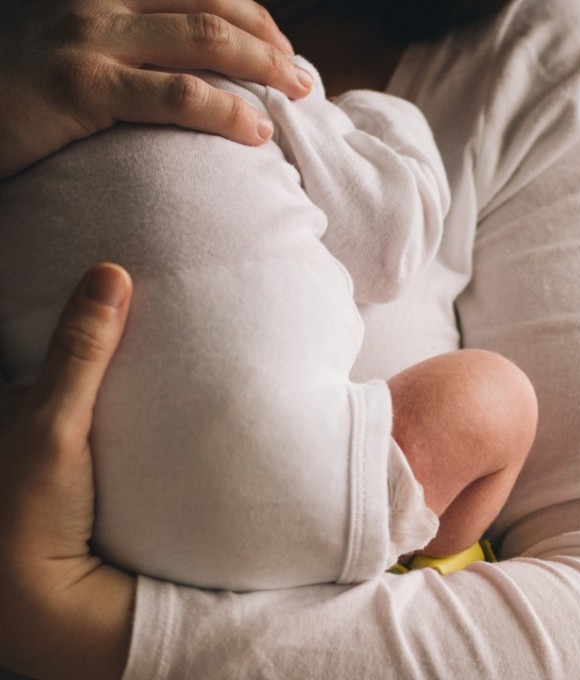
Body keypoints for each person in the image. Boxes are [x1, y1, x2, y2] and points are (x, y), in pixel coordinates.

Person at [0, 0, 580, 678]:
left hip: (207, 497)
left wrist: (82, 631)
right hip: (322, 495)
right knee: (491, 401)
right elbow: (386, 237)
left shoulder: (538, 66)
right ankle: (414, 529)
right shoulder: (270, 90)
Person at [0, 50, 536, 591]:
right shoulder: (245, 69)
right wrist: (385, 118)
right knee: (501, 399)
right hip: (302, 491)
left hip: (80, 505)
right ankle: (423, 544)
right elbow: (389, 249)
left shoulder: (23, 106)